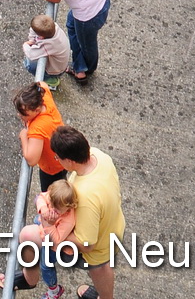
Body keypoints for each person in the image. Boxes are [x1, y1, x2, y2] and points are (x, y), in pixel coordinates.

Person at [47, 126, 126, 299]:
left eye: (57, 157)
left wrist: (52, 232)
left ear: (69, 161)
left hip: (100, 248)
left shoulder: (84, 197)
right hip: (114, 226)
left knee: (99, 268)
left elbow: (87, 244)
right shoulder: (99, 156)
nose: (57, 160)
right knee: (104, 268)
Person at [0, 176, 77, 295]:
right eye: (51, 204)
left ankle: (54, 290)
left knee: (46, 267)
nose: (52, 209)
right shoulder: (54, 197)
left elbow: (56, 240)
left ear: (69, 207)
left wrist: (49, 224)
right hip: (44, 228)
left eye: (57, 209)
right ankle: (29, 273)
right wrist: (43, 208)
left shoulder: (68, 220)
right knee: (32, 229)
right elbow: (40, 197)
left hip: (52, 246)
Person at [12, 81, 66, 193]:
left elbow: (31, 159)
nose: (19, 115)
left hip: (52, 168)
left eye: (24, 114)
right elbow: (42, 83)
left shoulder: (37, 128)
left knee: (50, 193)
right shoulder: (43, 96)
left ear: (36, 110)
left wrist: (23, 136)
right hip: (63, 154)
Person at [23, 12, 72, 82]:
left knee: (28, 64)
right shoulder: (55, 26)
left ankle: (50, 80)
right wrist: (32, 39)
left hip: (56, 71)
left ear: (41, 37)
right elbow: (33, 30)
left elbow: (31, 54)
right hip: (62, 65)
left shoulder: (49, 45)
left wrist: (25, 44)